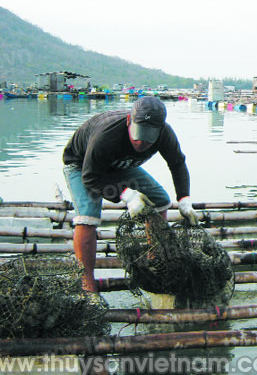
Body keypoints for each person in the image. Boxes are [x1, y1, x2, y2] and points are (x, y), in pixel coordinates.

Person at [63, 96, 194, 292]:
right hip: (82, 166)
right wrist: (126, 195)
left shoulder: (165, 134)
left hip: (120, 165)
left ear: (160, 129)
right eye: (138, 134)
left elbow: (177, 163)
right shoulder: (106, 135)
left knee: (160, 200)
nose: (142, 142)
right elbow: (91, 177)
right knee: (88, 216)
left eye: (149, 136)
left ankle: (155, 257)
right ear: (128, 121)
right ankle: (87, 281)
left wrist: (184, 198)